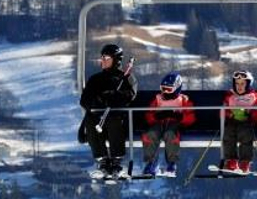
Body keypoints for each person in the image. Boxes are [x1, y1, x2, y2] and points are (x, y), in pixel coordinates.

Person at [79, 43, 137, 179]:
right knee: (91, 119)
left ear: (115, 60)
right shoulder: (95, 79)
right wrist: (99, 101)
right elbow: (85, 100)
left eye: (106, 57)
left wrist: (114, 96)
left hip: (119, 119)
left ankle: (116, 161)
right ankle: (102, 161)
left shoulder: (126, 78)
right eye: (102, 58)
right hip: (98, 118)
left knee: (113, 118)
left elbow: (130, 95)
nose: (102, 60)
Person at [141, 71, 195, 176]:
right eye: (163, 88)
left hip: (174, 124)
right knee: (150, 135)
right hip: (159, 123)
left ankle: (171, 163)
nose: (165, 92)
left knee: (170, 135)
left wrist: (179, 117)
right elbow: (148, 115)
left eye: (169, 89)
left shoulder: (183, 100)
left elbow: (191, 117)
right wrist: (156, 116)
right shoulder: (157, 99)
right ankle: (151, 163)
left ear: (177, 88)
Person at [221, 70, 257, 173]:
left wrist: (250, 114)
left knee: (246, 136)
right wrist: (230, 114)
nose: (239, 86)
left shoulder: (254, 97)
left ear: (248, 84)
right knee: (228, 135)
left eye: (242, 84)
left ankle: (245, 162)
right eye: (237, 84)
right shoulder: (230, 96)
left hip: (246, 122)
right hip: (232, 121)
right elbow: (222, 112)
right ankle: (231, 160)